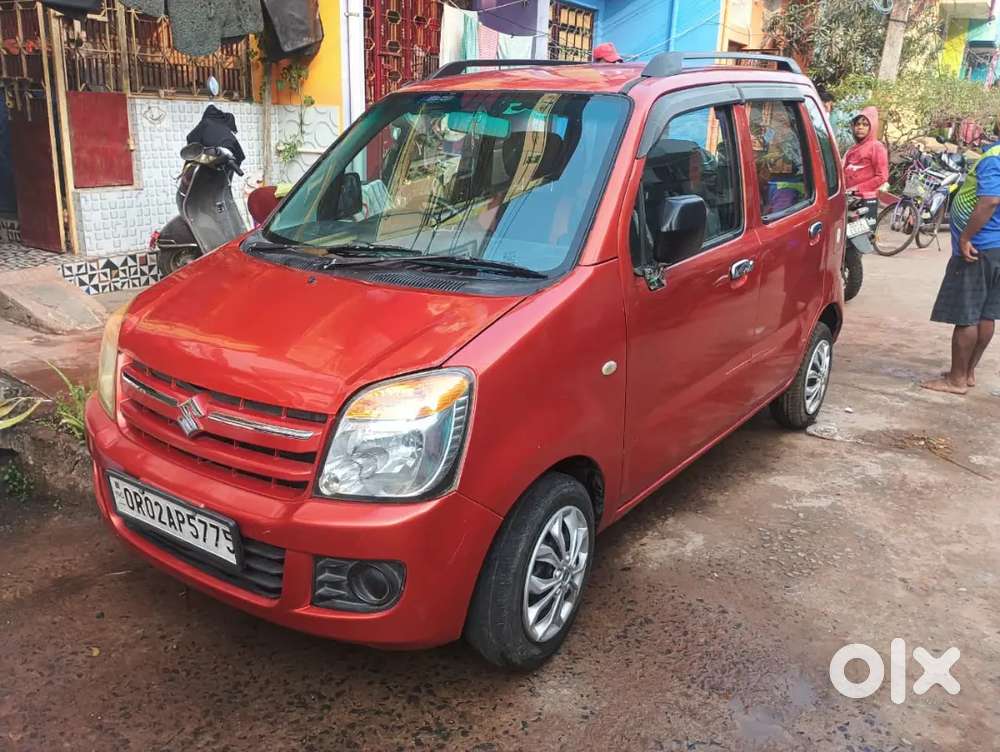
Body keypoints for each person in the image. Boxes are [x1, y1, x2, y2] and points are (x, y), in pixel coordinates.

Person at [922, 127, 1000, 395]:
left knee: (967, 314)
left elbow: (990, 201)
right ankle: (968, 372)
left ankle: (956, 380)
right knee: (986, 314)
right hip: (996, 247)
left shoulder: (994, 157)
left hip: (980, 246)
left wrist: (966, 237)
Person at [843, 107, 888, 219]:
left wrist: (857, 188)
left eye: (865, 124)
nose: (860, 127)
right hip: (848, 199)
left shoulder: (877, 147)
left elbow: (882, 176)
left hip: (865, 201)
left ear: (872, 127)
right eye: (858, 124)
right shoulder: (852, 149)